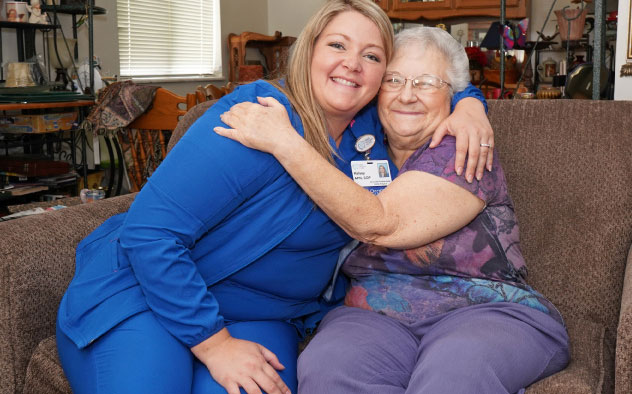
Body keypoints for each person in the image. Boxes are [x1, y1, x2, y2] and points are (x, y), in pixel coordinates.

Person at [55, 2, 494, 394]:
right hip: (146, 293)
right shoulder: (256, 117)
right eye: (337, 45)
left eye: (372, 56)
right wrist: (215, 345)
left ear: (383, 77)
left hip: (262, 316)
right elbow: (150, 234)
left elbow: (429, 87)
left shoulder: (373, 133)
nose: (353, 64)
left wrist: (471, 105)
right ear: (308, 53)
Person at [214, 26, 570, 394]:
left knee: (453, 377)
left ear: (451, 94)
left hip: (484, 312)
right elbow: (323, 82)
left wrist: (284, 142)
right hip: (372, 316)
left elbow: (383, 225)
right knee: (327, 370)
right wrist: (468, 99)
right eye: (393, 80)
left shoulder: (462, 147)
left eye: (427, 82)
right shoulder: (356, 141)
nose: (406, 95)